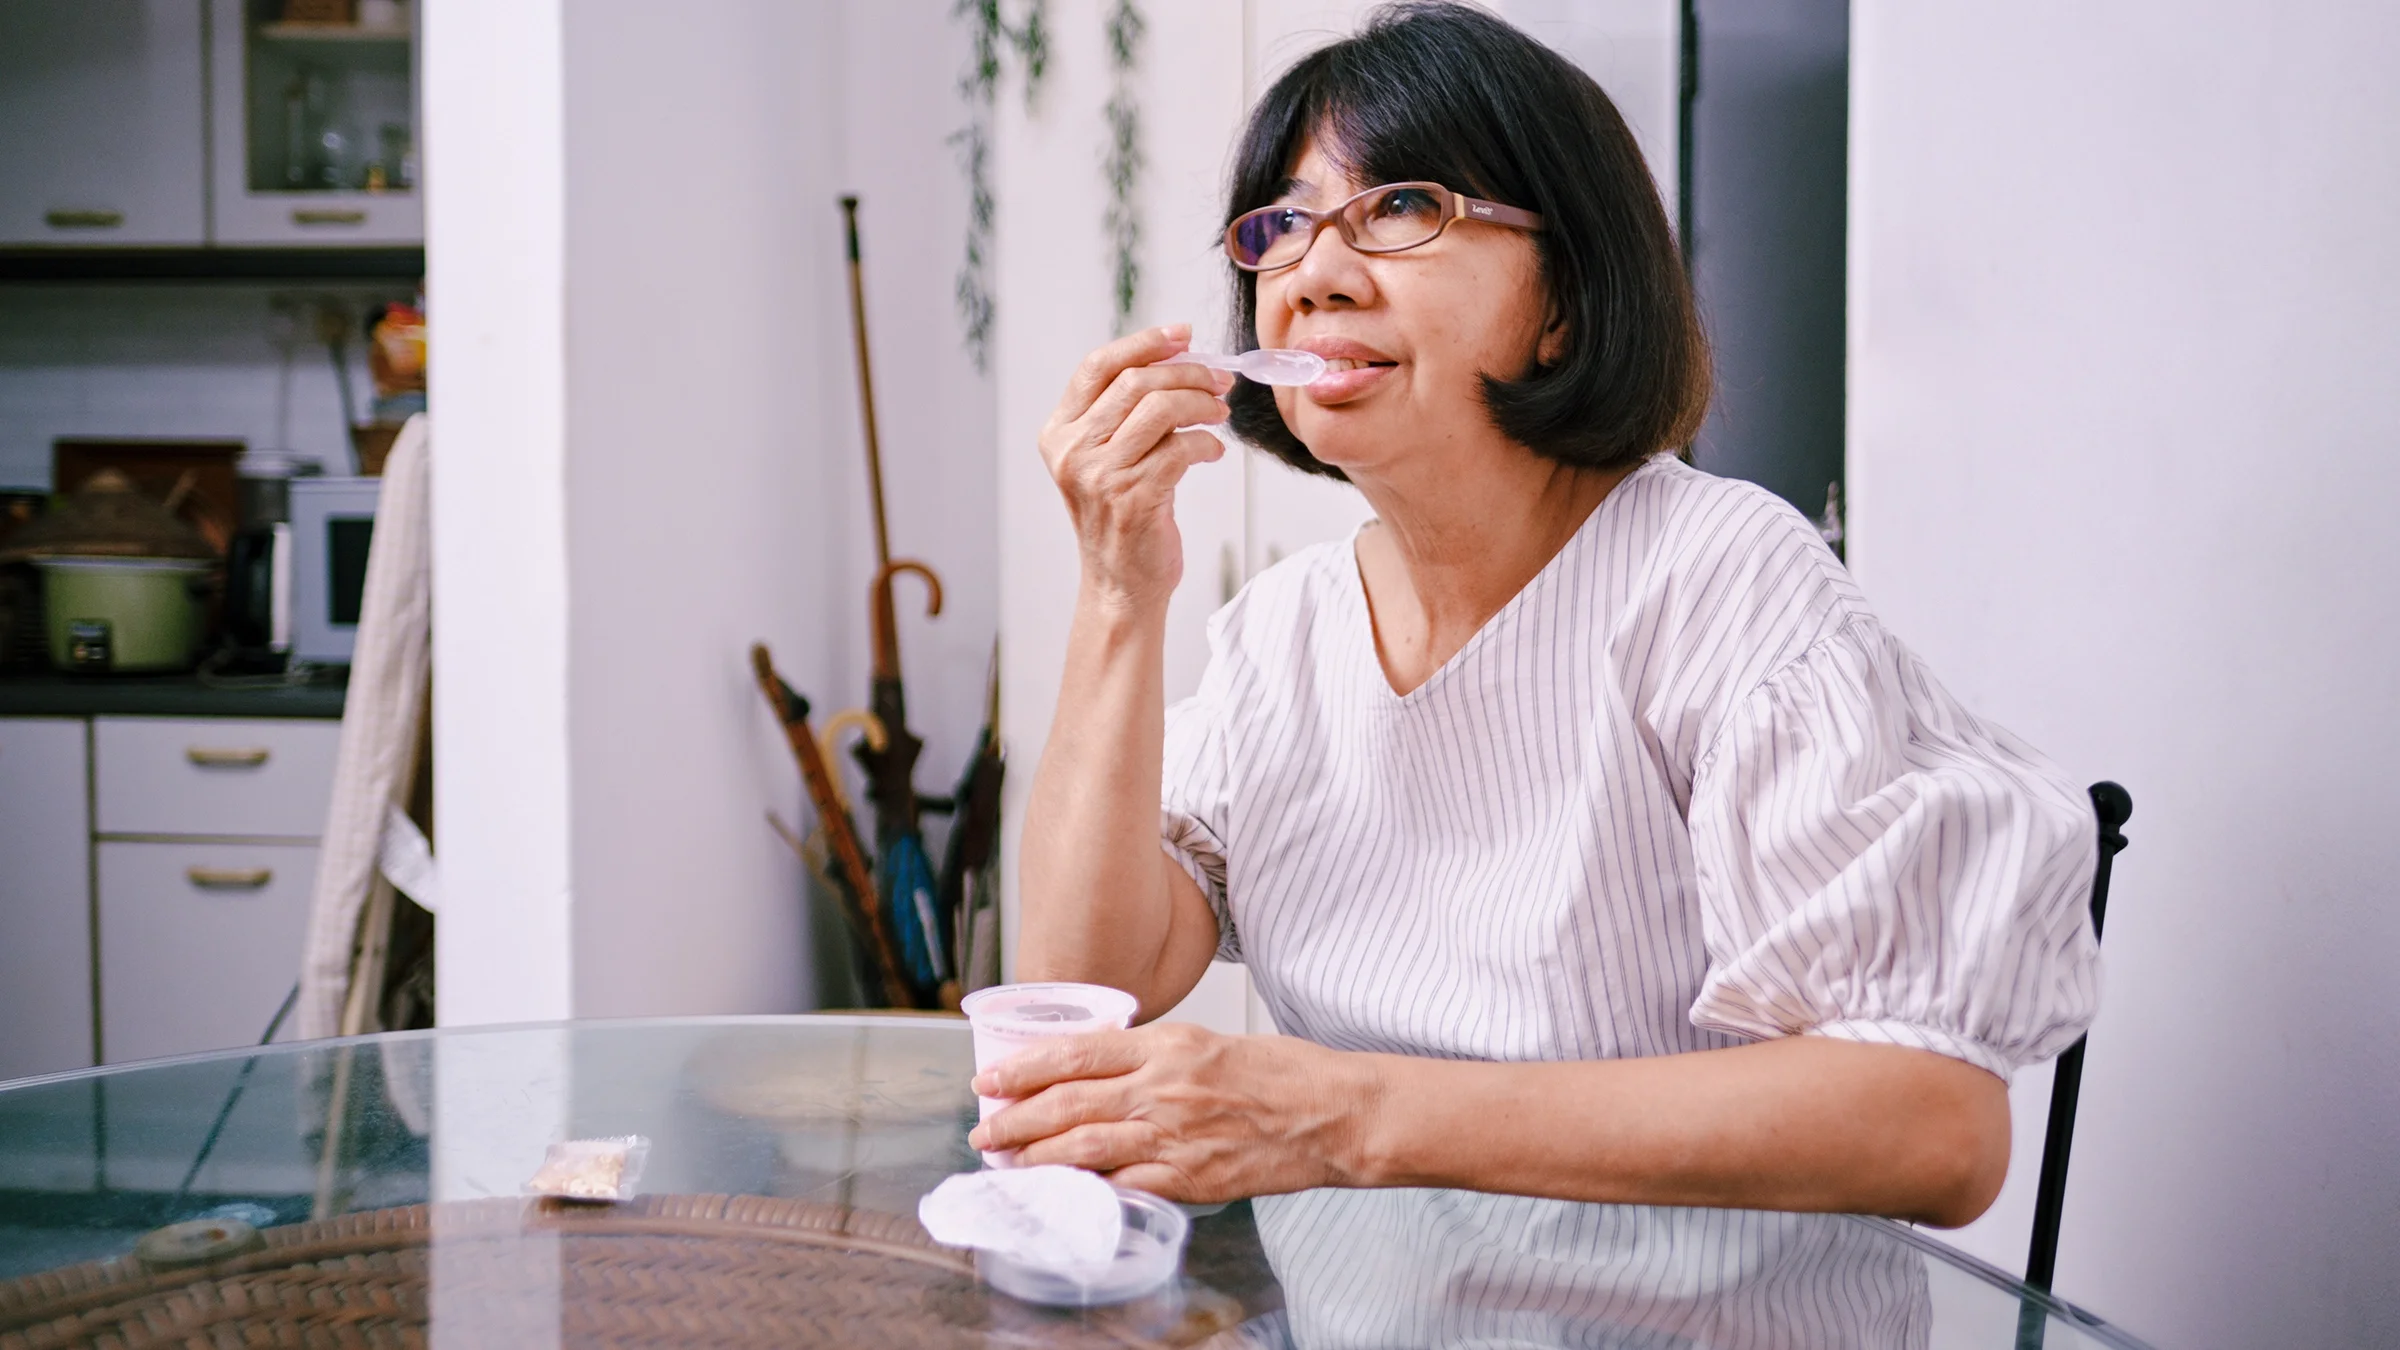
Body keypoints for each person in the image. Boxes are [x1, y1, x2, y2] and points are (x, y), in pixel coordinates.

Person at [974, 0, 2098, 1230]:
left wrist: (1346, 1117)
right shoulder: (1281, 636)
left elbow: (1932, 1128)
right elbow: (1090, 992)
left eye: (1401, 206)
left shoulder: (1720, 586)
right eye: (1281, 226)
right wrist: (1118, 589)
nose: (1316, 274)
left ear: (1563, 299)